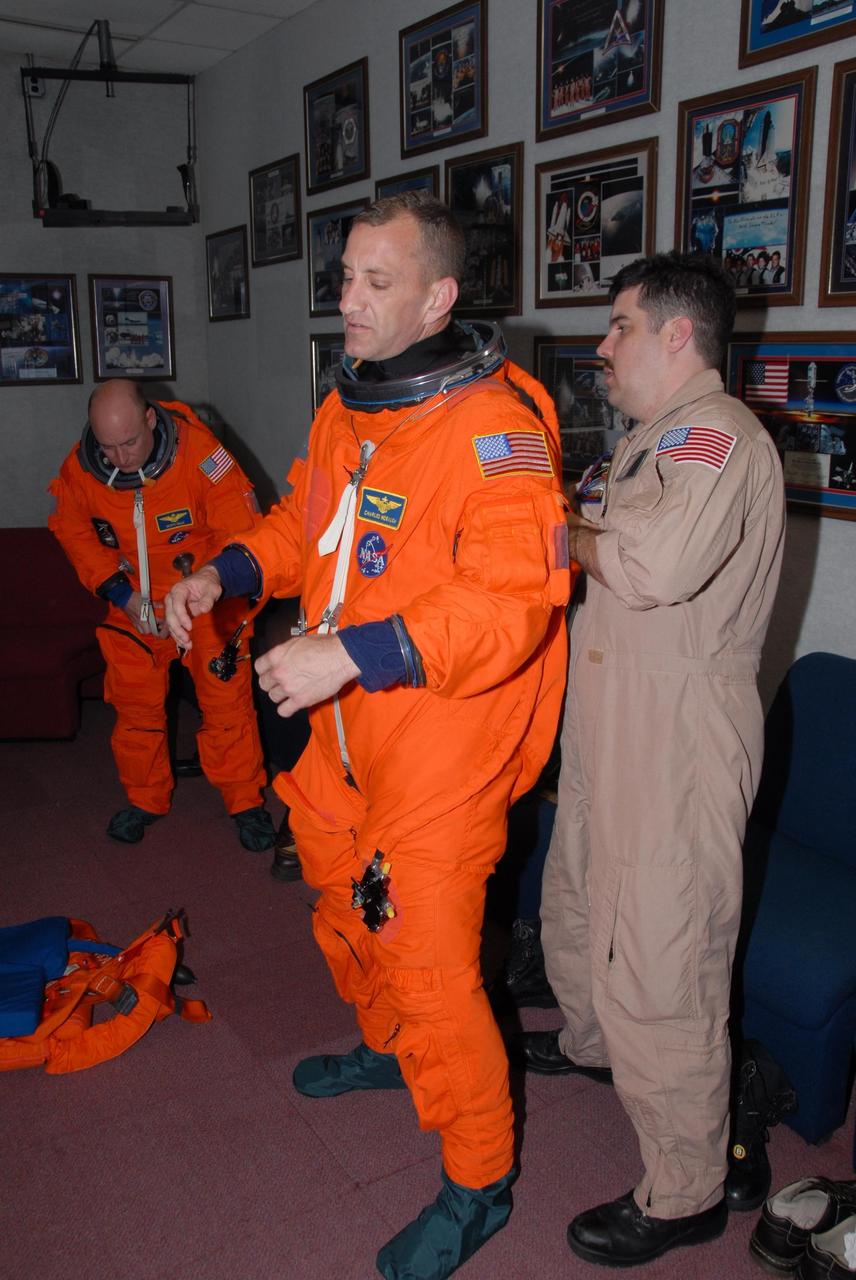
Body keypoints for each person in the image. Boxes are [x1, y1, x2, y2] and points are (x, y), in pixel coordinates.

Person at [164, 191, 572, 1280]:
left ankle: (480, 1180)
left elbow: (511, 603)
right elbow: (308, 526)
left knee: (436, 968)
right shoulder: (351, 412)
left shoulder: (495, 431)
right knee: (347, 902)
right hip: (351, 742)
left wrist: (351, 653)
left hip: (445, 745)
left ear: (438, 296)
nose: (345, 299)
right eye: (344, 277)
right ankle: (391, 1050)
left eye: (373, 282)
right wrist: (225, 570)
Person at [514, 252, 785, 1268]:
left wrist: (563, 530)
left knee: (667, 956)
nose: (603, 344)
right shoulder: (646, 443)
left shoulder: (717, 435)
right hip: (611, 718)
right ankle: (591, 1043)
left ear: (678, 334)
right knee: (580, 893)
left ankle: (686, 1188)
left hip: (676, 740)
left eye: (620, 324)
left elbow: (652, 564)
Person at [49, 379, 276, 851]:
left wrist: (206, 587)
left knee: (226, 705)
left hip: (204, 604)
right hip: (133, 606)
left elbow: (240, 529)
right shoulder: (82, 468)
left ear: (151, 419)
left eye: (129, 442)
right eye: (108, 447)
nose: (120, 458)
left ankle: (244, 801)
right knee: (134, 710)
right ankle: (146, 798)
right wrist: (117, 590)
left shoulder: (201, 455)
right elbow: (72, 531)